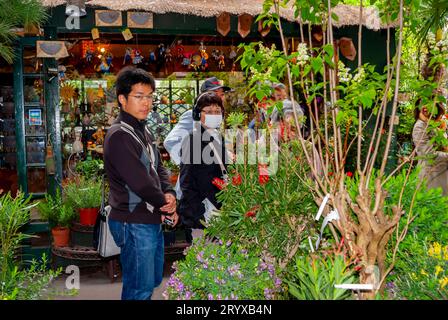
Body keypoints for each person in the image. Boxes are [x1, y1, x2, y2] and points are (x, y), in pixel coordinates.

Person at [103, 66, 179, 300]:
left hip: (148, 218)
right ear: (122, 99)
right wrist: (166, 205)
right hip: (133, 221)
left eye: (149, 96)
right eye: (139, 96)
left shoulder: (141, 131)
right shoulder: (120, 135)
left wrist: (169, 193)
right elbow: (141, 183)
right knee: (139, 289)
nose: (146, 102)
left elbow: (158, 168)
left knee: (151, 281)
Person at [178, 91, 229, 241]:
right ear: (198, 114)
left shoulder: (219, 138)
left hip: (219, 213)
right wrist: (200, 214)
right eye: (208, 111)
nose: (214, 114)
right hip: (201, 217)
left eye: (217, 111)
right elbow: (187, 182)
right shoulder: (192, 140)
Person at [163, 76, 231, 167]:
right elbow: (170, 142)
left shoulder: (216, 118)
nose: (219, 97)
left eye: (222, 94)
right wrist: (188, 165)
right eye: (214, 93)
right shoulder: (192, 115)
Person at [412, 100, 448, 195]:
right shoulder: (419, 127)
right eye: (438, 116)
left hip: (439, 173)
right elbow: (428, 154)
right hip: (431, 176)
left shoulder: (430, 126)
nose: (440, 119)